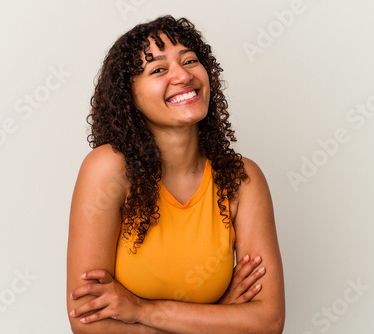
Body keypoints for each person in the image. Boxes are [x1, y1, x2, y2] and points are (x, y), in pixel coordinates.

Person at [66, 15, 285, 334]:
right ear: (131, 97)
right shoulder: (108, 168)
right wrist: (219, 316)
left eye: (190, 60)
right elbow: (89, 322)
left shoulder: (241, 178)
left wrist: (141, 310)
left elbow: (268, 322)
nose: (183, 75)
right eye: (158, 69)